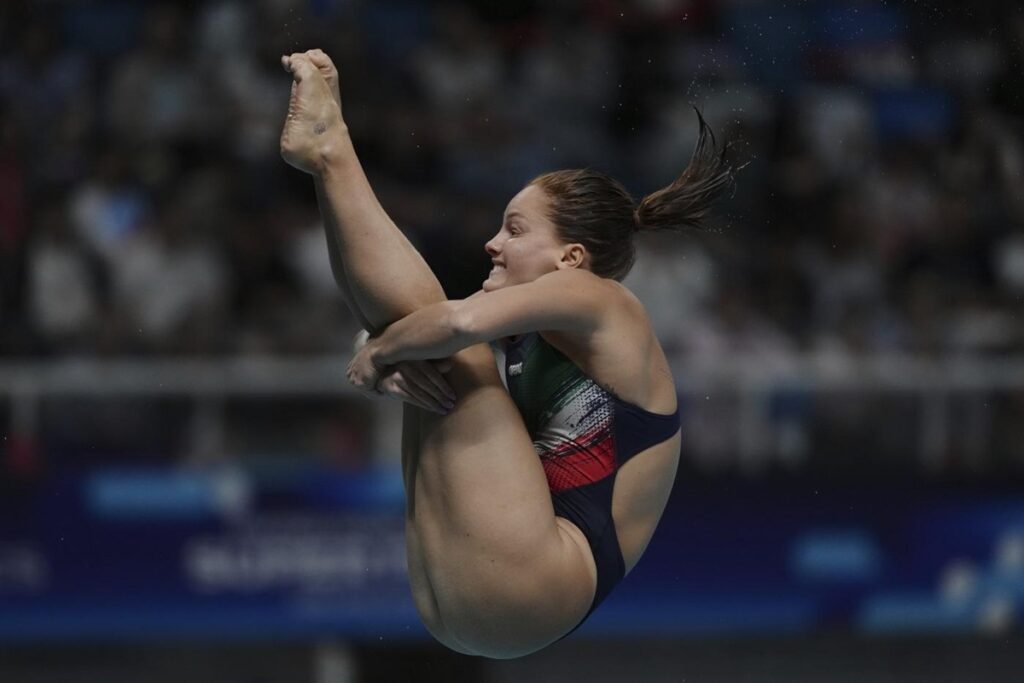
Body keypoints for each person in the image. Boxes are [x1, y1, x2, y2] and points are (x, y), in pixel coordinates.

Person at [280, 49, 734, 658]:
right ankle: (326, 160)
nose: (492, 244)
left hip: (537, 577)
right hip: (480, 601)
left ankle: (333, 153)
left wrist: (384, 350)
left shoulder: (603, 301)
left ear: (570, 257)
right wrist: (386, 354)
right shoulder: (540, 329)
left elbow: (455, 321)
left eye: (516, 230)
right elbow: (423, 328)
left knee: (448, 344)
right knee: (433, 343)